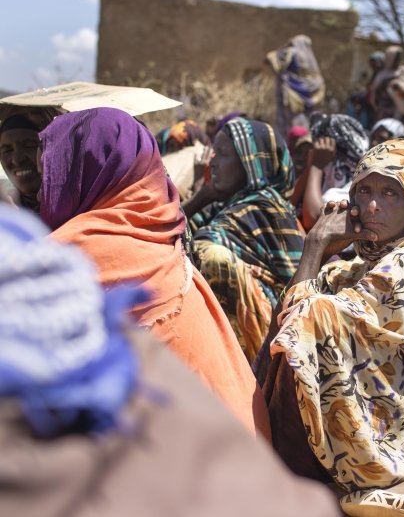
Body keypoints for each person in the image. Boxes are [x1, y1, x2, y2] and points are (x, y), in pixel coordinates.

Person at [0, 204, 337, 517]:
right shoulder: (120, 344)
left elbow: (288, 324)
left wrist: (315, 252)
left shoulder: (124, 343)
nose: (211, 166)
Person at [258, 139, 404, 508]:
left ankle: (297, 476)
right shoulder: (354, 267)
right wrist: (322, 247)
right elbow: (283, 317)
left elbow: (304, 320)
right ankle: (280, 465)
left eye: (392, 193)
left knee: (312, 319)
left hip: (394, 422)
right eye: (364, 191)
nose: (372, 206)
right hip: (365, 404)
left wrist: (314, 244)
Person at [37, 108, 268, 437]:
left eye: (51, 172)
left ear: (78, 173)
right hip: (245, 451)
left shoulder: (73, 253)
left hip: (181, 470)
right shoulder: (157, 232)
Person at [183, 117, 305, 361]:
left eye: (224, 154)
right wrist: (200, 197)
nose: (212, 161)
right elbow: (171, 234)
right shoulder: (220, 206)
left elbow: (193, 250)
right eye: (214, 152)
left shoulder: (266, 207)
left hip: (268, 334)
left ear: (251, 163)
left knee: (211, 257)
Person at [301, 113, 369, 230]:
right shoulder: (326, 183)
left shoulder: (356, 188)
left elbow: (313, 220)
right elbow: (289, 205)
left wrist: (317, 165)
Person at [0, 108, 59, 212]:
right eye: (7, 150)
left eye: (29, 146)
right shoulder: (5, 212)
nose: (17, 160)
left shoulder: (83, 207)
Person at [266, 34, 326, 137]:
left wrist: (286, 46)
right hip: (307, 105)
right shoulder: (313, 73)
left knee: (289, 127)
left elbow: (271, 57)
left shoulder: (291, 52)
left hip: (292, 98)